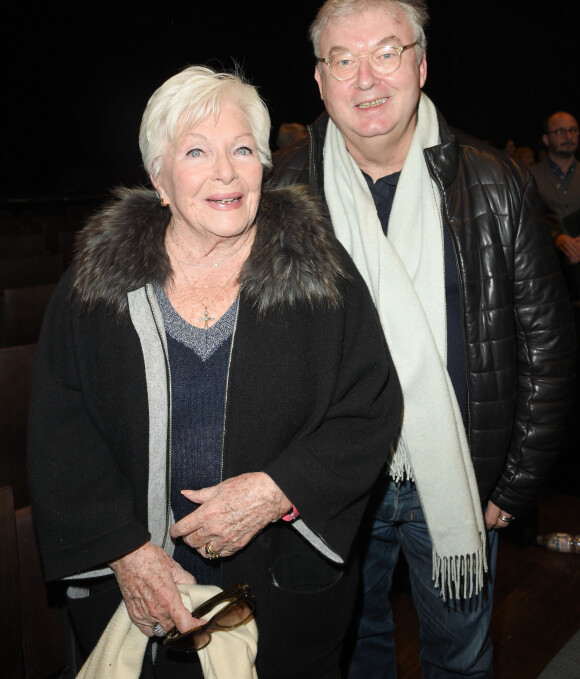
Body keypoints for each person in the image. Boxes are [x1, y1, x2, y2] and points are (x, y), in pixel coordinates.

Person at [27, 65, 402, 679]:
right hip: (139, 592)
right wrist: (124, 552)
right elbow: (62, 431)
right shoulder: (94, 289)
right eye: (197, 151)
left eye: (243, 149)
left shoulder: (321, 275)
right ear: (159, 178)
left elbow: (369, 406)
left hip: (282, 586)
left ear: (264, 166)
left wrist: (277, 489)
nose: (225, 172)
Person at [270, 0, 576, 679]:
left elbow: (548, 348)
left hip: (460, 473)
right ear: (320, 81)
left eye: (386, 52)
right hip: (332, 483)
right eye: (343, 60)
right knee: (353, 653)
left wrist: (512, 487)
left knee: (461, 657)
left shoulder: (494, 181)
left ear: (421, 64)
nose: (367, 79)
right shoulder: (284, 192)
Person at [531, 111, 580, 296]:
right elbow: (526, 222)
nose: (568, 136)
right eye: (560, 132)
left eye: (573, 130)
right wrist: (556, 239)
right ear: (545, 139)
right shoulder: (529, 176)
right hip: (547, 277)